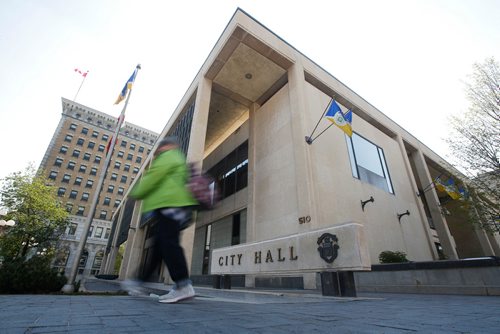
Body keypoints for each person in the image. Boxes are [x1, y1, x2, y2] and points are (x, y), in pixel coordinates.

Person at [122, 136, 198, 303]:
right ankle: (139, 281)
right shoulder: (177, 158)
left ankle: (183, 285)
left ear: (167, 146)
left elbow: (153, 177)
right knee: (161, 247)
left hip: (170, 205)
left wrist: (136, 193)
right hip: (173, 206)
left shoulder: (169, 156)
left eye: (159, 148)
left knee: (168, 244)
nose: (157, 151)